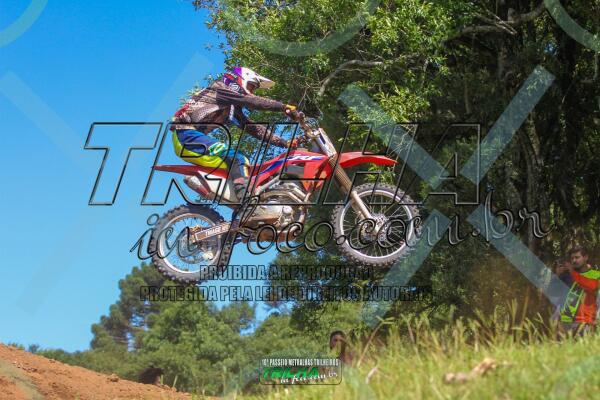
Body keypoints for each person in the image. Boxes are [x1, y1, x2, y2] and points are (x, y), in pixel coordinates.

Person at [170, 66, 299, 200]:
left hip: (189, 138)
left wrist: (284, 143)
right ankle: (244, 198)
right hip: (185, 135)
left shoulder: (229, 106)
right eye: (251, 86)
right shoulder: (220, 89)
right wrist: (283, 107)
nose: (251, 92)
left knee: (239, 165)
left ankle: (244, 204)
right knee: (237, 158)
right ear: (238, 80)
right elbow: (251, 101)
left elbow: (253, 128)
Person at [558, 245, 600, 337]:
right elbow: (554, 293)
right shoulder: (567, 275)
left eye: (577, 257)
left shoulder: (596, 275)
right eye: (572, 258)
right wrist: (557, 276)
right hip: (565, 321)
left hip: (584, 322)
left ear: (585, 257)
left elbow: (591, 286)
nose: (574, 260)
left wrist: (572, 272)